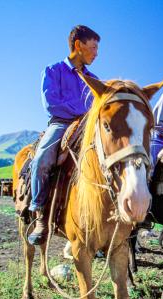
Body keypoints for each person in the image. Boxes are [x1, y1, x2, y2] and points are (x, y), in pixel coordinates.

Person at [28, 25, 100, 245]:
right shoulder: (53, 70)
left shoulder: (95, 78)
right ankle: (39, 212)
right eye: (94, 47)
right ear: (78, 45)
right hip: (62, 123)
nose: (96, 53)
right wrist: (81, 113)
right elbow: (52, 105)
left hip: (89, 126)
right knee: (42, 159)